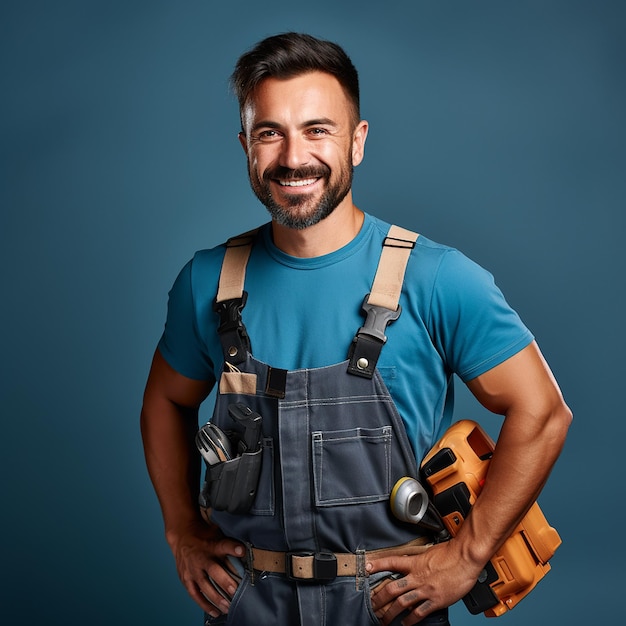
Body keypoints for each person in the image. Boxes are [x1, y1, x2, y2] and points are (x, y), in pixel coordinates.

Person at [140, 32, 572, 626]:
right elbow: (165, 399)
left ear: (358, 141)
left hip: (389, 606)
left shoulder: (437, 277)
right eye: (271, 133)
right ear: (246, 146)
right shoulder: (209, 281)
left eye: (318, 129)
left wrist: (468, 556)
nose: (294, 157)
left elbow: (543, 411)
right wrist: (181, 529)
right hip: (249, 605)